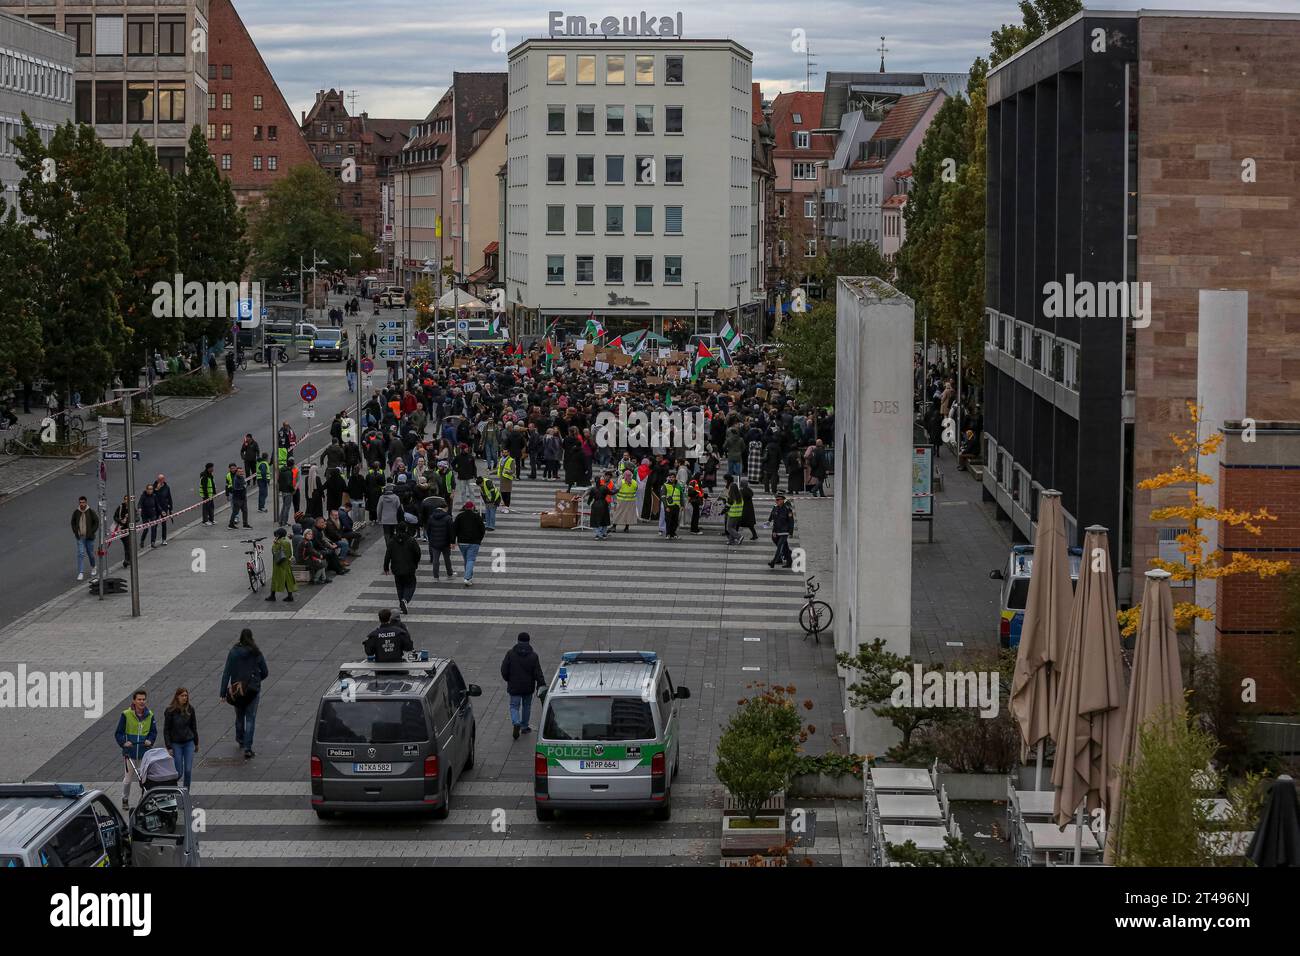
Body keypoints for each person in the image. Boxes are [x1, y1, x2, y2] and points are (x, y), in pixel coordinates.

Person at [219, 629, 268, 760]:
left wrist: (223, 692)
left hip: (238, 690)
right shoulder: (256, 652)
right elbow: (265, 671)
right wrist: (256, 680)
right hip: (252, 690)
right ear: (251, 638)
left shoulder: (234, 652)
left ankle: (240, 739)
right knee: (250, 718)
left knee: (239, 715)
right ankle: (248, 748)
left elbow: (226, 673)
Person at [114, 688, 156, 809]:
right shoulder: (126, 715)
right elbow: (118, 733)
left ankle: (142, 800)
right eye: (139, 699)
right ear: (134, 701)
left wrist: (150, 740)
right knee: (128, 780)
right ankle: (125, 798)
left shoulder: (150, 715)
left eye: (143, 699)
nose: (142, 702)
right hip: (130, 752)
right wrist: (124, 742)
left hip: (144, 752)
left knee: (143, 780)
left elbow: (153, 732)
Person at [499, 632, 545, 740]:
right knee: (527, 706)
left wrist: (508, 679)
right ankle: (524, 726)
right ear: (528, 641)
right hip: (528, 687)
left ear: (518, 640)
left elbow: (504, 669)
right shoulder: (533, 656)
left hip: (514, 685)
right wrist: (541, 684)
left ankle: (516, 722)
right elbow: (538, 672)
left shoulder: (510, 654)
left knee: (514, 706)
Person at [162, 688, 198, 790]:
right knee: (179, 771)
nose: (184, 698)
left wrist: (196, 742)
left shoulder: (190, 709)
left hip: (188, 742)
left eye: (186, 696)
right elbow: (166, 729)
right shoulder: (170, 711)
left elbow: (193, 727)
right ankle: (171, 788)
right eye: (182, 696)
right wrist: (169, 746)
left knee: (188, 770)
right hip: (176, 743)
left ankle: (186, 792)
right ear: (177, 696)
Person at [388, 514, 423, 613]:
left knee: (399, 586)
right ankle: (405, 600)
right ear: (406, 529)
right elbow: (418, 553)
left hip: (396, 568)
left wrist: (386, 566)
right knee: (411, 584)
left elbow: (388, 554)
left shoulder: (392, 541)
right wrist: (415, 563)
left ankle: (402, 605)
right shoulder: (411, 540)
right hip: (409, 567)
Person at [452, 500, 485, 586]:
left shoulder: (459, 516)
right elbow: (482, 530)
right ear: (472, 507)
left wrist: (453, 541)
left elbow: (454, 529)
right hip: (474, 542)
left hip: (462, 542)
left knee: (466, 559)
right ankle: (467, 578)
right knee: (470, 559)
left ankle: (469, 577)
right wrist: (479, 540)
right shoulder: (477, 516)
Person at [424, 497, 454, 582]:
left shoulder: (431, 517)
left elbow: (428, 530)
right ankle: (449, 574)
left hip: (434, 543)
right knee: (447, 559)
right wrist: (452, 542)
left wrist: (431, 539)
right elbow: (451, 531)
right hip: (445, 543)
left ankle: (436, 577)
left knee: (435, 560)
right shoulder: (448, 518)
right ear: (445, 508)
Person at [71, 495, 98, 581]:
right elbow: (73, 522)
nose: (81, 504)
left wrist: (92, 532)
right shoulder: (76, 512)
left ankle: (93, 566)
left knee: (90, 553)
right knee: (81, 553)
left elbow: (96, 522)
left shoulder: (90, 512)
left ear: (86, 502)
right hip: (80, 537)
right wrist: (76, 532)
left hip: (89, 537)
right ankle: (81, 572)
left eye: (83, 502)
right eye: (80, 502)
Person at [266, 527, 297, 602]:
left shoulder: (279, 542)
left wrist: (274, 544)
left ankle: (272, 596)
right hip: (286, 564)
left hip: (279, 564)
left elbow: (274, 551)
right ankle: (290, 596)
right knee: (287, 580)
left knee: (275, 579)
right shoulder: (286, 542)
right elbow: (289, 553)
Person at [377, 482, 402, 574]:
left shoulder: (382, 498)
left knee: (387, 535)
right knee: (393, 534)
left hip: (385, 520)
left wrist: (379, 519)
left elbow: (379, 509)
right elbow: (399, 508)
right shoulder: (396, 498)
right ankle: (395, 547)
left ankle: (389, 548)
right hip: (394, 520)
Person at [768, 493, 795, 569]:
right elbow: (772, 516)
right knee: (784, 546)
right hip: (777, 530)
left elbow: (791, 521)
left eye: (778, 500)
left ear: (783, 500)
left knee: (780, 546)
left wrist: (791, 532)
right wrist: (769, 521)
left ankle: (773, 561)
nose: (776, 501)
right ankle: (788, 560)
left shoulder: (787, 508)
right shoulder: (775, 507)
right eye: (776, 500)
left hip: (784, 531)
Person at [588, 471, 612, 540]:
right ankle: (603, 534)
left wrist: (588, 503)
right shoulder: (604, 487)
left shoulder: (593, 489)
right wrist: (618, 489)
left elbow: (590, 498)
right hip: (604, 504)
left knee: (596, 520)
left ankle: (598, 534)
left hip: (596, 505)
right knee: (604, 519)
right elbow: (612, 492)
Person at [612, 469, 638, 533]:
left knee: (618, 513)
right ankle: (626, 528)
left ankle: (614, 526)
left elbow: (617, 488)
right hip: (631, 501)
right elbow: (636, 489)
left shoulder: (622, 482)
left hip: (621, 501)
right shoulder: (634, 482)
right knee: (628, 514)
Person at [138, 483, 161, 549]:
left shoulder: (154, 496)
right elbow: (139, 503)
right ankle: (142, 541)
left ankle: (153, 542)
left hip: (152, 514)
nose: (150, 490)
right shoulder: (143, 496)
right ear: (146, 489)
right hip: (145, 514)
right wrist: (139, 508)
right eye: (149, 489)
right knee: (146, 529)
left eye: (151, 489)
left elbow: (157, 505)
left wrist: (161, 511)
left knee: (153, 528)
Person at [660, 474, 683, 540]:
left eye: (673, 477)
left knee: (675, 521)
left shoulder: (678, 485)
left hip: (676, 506)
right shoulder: (665, 485)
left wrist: (682, 505)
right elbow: (663, 497)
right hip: (669, 506)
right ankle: (668, 534)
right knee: (668, 521)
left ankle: (673, 533)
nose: (671, 478)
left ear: (675, 478)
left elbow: (681, 496)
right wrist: (665, 506)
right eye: (670, 477)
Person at [153, 474, 173, 545]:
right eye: (159, 479)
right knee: (154, 525)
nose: (160, 481)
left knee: (164, 524)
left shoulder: (167, 487)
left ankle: (164, 539)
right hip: (156, 508)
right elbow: (152, 496)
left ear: (164, 479)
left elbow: (169, 498)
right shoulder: (154, 487)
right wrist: (157, 489)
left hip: (164, 508)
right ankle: (153, 541)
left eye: (161, 479)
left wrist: (171, 508)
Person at [113, 494, 132, 567]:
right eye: (126, 499)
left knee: (130, 545)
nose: (127, 501)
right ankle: (126, 560)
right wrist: (121, 521)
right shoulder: (120, 507)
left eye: (128, 499)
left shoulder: (132, 507)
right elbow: (115, 517)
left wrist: (133, 519)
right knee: (127, 544)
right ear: (124, 500)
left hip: (130, 529)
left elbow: (137, 517)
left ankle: (129, 559)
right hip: (122, 529)